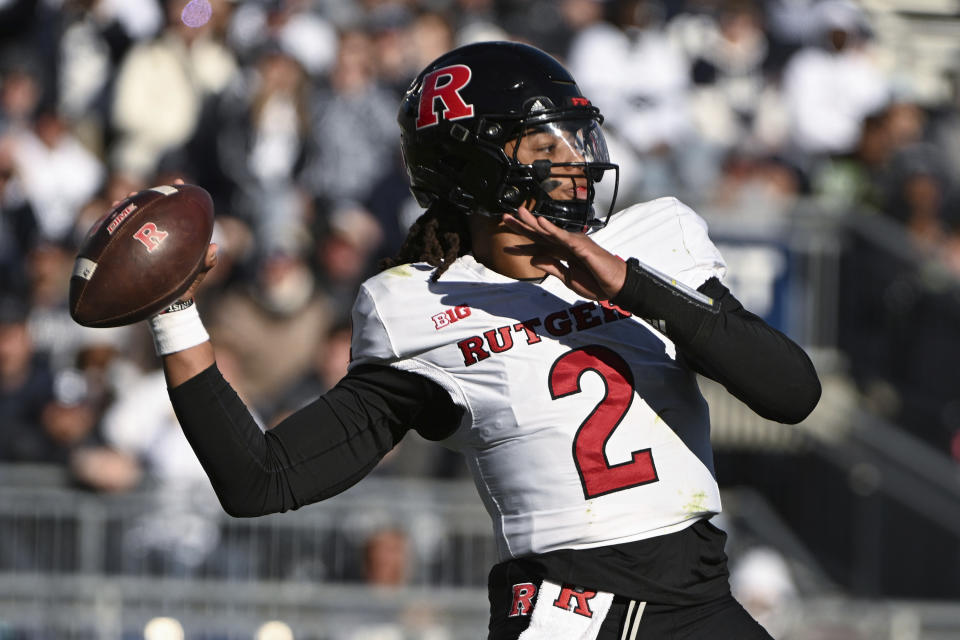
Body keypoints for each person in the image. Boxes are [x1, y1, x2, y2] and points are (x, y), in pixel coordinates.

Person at [138, 42, 821, 639]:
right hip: (571, 614)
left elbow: (791, 392)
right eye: (546, 145)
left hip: (700, 600)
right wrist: (174, 311)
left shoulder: (649, 243)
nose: (578, 161)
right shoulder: (421, 306)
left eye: (578, 138)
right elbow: (262, 478)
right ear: (477, 167)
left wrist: (631, 286)